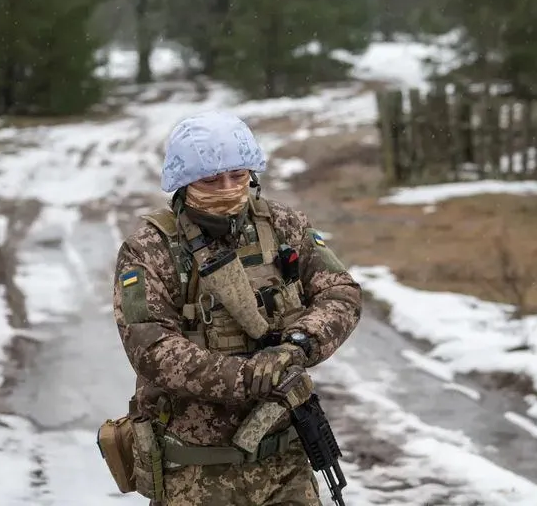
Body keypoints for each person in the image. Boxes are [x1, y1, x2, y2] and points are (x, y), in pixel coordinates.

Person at [112, 110, 362, 506]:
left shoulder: (283, 225)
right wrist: (246, 377)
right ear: (183, 181)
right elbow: (151, 347)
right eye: (211, 179)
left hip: (286, 464)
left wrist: (299, 343)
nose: (227, 188)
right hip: (196, 475)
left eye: (237, 175)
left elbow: (341, 293)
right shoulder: (150, 249)